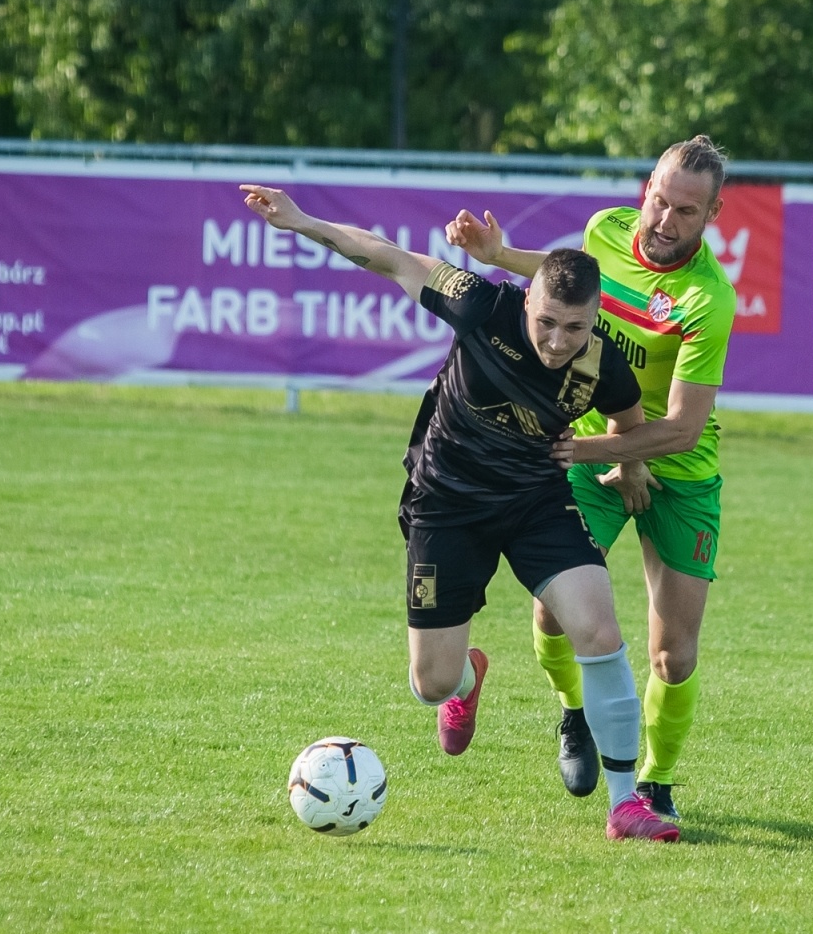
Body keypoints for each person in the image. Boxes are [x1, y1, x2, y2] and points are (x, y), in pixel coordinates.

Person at [239, 183, 678, 842]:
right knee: (430, 683)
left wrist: (632, 465)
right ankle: (466, 678)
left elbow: (628, 416)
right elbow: (387, 257)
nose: (558, 340)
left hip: (536, 500)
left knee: (599, 632)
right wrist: (299, 220)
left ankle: (625, 806)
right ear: (526, 300)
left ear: (595, 319)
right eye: (547, 322)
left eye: (575, 327)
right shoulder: (479, 304)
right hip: (445, 503)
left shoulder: (602, 360)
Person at [446, 136, 736, 820]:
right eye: (659, 201)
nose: (665, 221)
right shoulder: (606, 228)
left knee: (674, 657)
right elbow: (569, 278)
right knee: (551, 608)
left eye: (686, 212)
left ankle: (656, 783)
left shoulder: (707, 299)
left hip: (677, 473)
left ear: (713, 214)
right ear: (646, 189)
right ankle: (575, 710)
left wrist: (584, 449)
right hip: (601, 453)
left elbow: (681, 429)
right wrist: (499, 257)